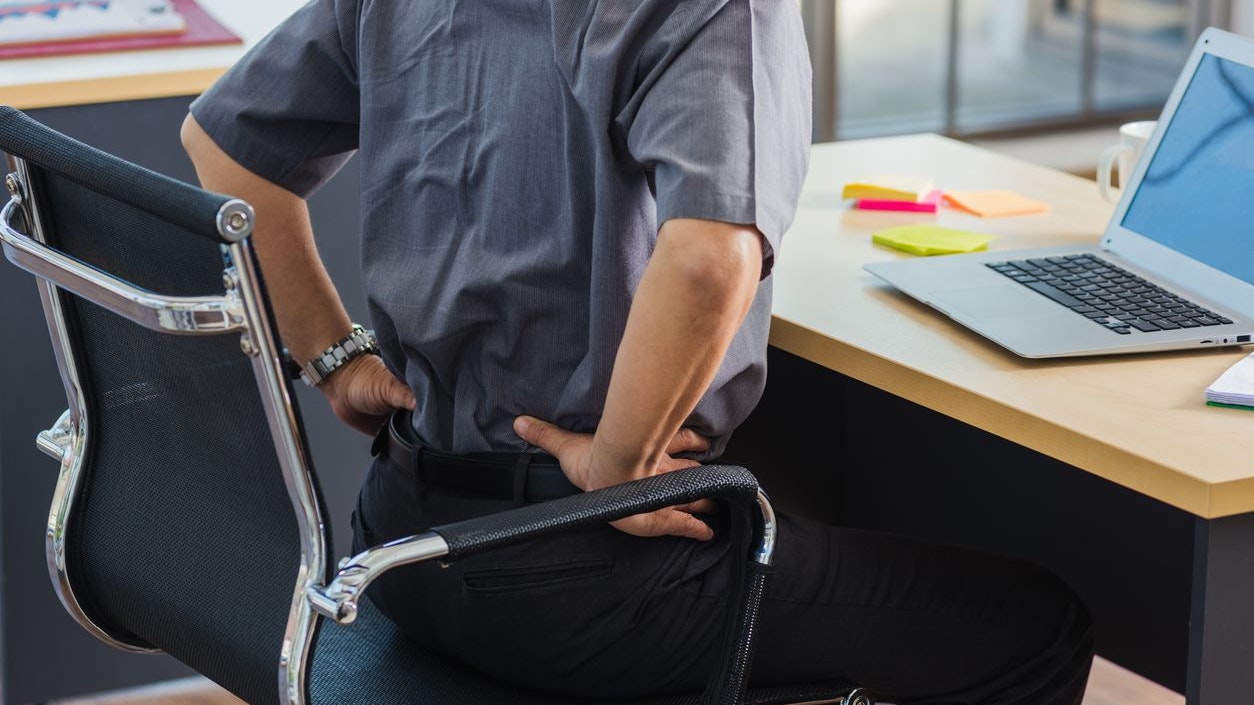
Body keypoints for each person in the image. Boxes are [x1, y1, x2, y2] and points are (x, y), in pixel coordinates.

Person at [182, 0, 1095, 701]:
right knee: (1036, 623)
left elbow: (223, 148)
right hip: (584, 587)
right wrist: (616, 468)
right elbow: (707, 260)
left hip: (401, 547)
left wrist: (333, 357)